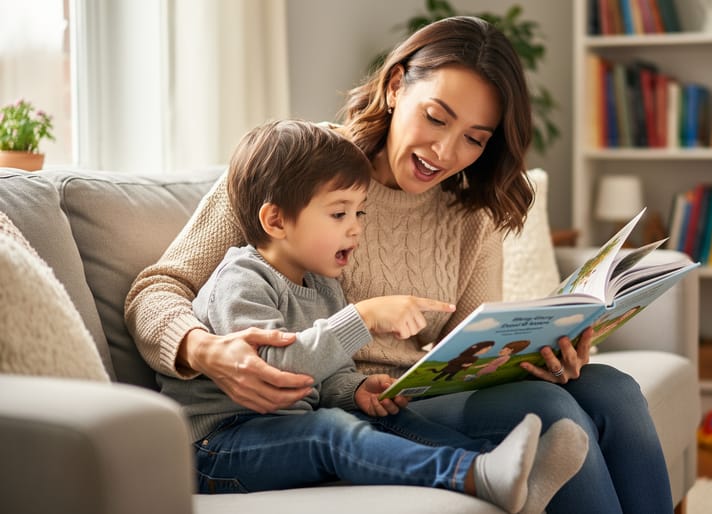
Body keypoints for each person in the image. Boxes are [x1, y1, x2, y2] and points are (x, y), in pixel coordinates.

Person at [126, 16, 673, 513]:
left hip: (404, 394)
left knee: (613, 391)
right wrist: (204, 350)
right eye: (436, 118)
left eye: (474, 140)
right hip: (331, 403)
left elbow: (471, 348)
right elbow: (156, 290)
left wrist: (542, 350)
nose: (445, 151)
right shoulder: (301, 167)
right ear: (395, 87)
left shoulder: (471, 211)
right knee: (552, 410)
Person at [156, 119, 586, 513]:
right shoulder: (241, 280)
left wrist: (357, 389)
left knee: (387, 416)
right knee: (331, 431)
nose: (356, 227)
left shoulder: (322, 286)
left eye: (360, 212)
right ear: (276, 220)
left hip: (284, 433)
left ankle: (495, 467)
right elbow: (274, 370)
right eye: (339, 213)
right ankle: (472, 474)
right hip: (219, 447)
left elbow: (329, 377)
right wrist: (361, 318)